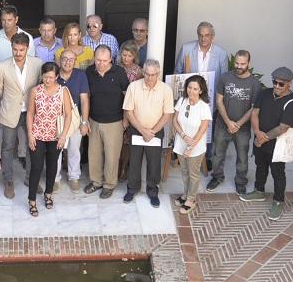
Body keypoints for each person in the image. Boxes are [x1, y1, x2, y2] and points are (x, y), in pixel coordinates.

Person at [241, 67, 293, 221]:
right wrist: (258, 133)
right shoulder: (265, 93)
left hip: (277, 145)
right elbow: (255, 113)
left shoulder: (292, 103)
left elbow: (283, 127)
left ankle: (279, 201)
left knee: (278, 173)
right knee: (260, 166)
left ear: (289, 84)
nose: (277, 86)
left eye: (281, 84)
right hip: (261, 140)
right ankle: (259, 191)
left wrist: (263, 137)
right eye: (275, 82)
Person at [174, 21, 229, 171]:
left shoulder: (221, 53)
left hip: (209, 98)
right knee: (187, 123)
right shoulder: (186, 48)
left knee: (207, 126)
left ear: (213, 36)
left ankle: (206, 157)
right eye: (201, 35)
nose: (204, 39)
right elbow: (178, 71)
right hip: (190, 95)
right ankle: (183, 152)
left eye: (207, 35)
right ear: (197, 35)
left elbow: (223, 79)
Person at [0, 33, 43, 198]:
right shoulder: (2, 66)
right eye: (15, 49)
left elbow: (39, 86)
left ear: (27, 49)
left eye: (21, 50)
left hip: (31, 112)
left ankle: (31, 179)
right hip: (10, 112)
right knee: (7, 148)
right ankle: (8, 181)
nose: (18, 53)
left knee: (32, 147)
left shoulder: (37, 64)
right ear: (11, 48)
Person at [206, 50, 261, 195]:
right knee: (217, 155)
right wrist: (228, 122)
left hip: (242, 128)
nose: (239, 66)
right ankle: (217, 177)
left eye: (242, 64)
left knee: (242, 157)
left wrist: (238, 124)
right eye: (237, 63)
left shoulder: (255, 83)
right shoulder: (225, 78)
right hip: (222, 125)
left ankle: (240, 181)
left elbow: (254, 108)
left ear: (249, 63)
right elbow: (218, 101)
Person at [123, 59, 174, 207]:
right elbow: (129, 111)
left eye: (153, 75)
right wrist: (142, 130)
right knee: (134, 162)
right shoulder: (133, 87)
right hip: (136, 130)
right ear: (143, 72)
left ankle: (153, 192)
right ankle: (132, 189)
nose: (150, 78)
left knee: (154, 164)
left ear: (158, 73)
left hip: (155, 132)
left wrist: (151, 132)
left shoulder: (166, 90)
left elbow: (167, 115)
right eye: (147, 74)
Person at [26, 62, 72, 216]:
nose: (48, 80)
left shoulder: (62, 91)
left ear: (57, 77)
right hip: (38, 135)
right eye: (45, 77)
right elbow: (30, 114)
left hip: (55, 136)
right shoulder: (35, 91)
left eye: (51, 77)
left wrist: (63, 135)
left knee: (52, 167)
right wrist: (30, 134)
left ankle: (48, 194)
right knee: (36, 167)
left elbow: (68, 115)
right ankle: (32, 200)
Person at [84, 45, 129, 199]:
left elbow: (127, 96)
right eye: (98, 60)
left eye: (104, 60)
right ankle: (96, 182)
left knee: (112, 155)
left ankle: (109, 185)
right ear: (94, 58)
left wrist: (125, 119)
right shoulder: (89, 72)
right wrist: (85, 119)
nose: (101, 63)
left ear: (111, 59)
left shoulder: (119, 72)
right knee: (94, 154)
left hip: (114, 121)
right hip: (94, 119)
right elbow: (86, 96)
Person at [172, 75, 212, 214]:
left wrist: (191, 146)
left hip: (196, 146)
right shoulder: (182, 101)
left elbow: (203, 128)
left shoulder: (204, 106)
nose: (191, 91)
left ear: (201, 91)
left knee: (193, 174)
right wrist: (183, 135)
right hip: (181, 143)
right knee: (184, 172)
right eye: (189, 87)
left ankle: (191, 199)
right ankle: (185, 194)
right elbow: (175, 121)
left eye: (195, 88)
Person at [55, 49, 90, 193]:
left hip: (75, 117)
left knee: (74, 149)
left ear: (75, 61)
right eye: (64, 59)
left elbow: (84, 99)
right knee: (56, 150)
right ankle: (55, 178)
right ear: (59, 60)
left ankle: (74, 177)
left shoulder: (80, 75)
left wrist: (84, 122)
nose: (67, 62)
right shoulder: (54, 74)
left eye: (71, 59)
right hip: (57, 118)